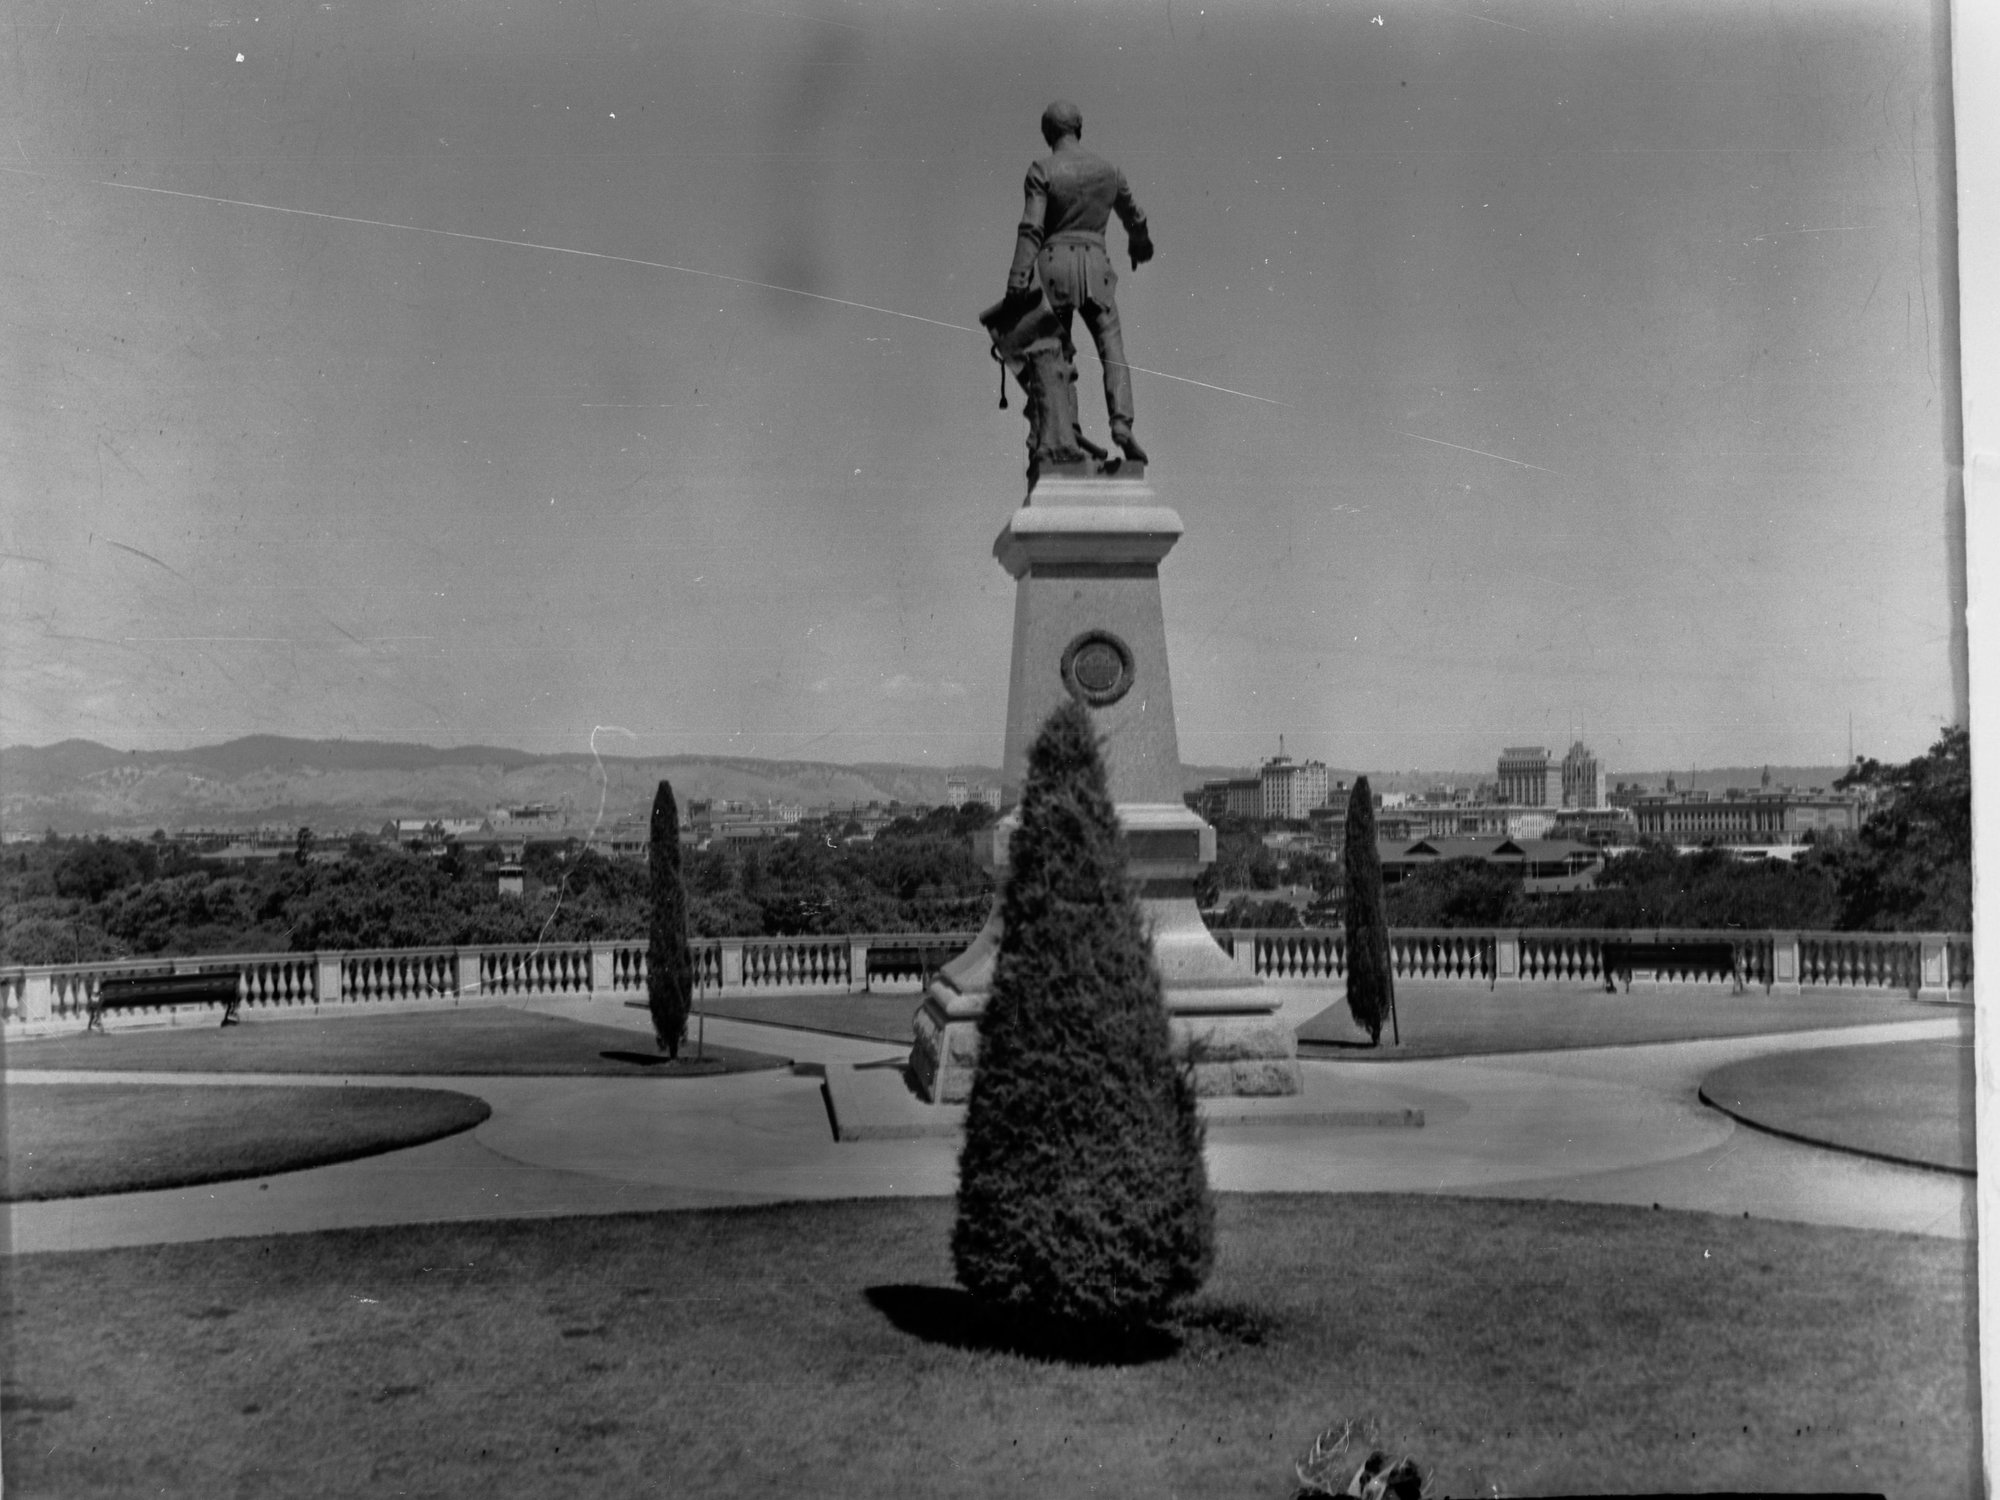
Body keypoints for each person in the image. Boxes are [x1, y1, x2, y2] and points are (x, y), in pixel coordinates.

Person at [1006, 100, 1154, 464]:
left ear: (1048, 133)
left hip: (1054, 266)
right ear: (1079, 128)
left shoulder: (1042, 169)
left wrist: (1018, 280)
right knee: (1111, 346)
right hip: (1096, 266)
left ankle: (1068, 431)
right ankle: (1122, 423)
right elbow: (1135, 217)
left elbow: (1032, 227)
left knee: (1057, 350)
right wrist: (1139, 244)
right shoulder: (1108, 171)